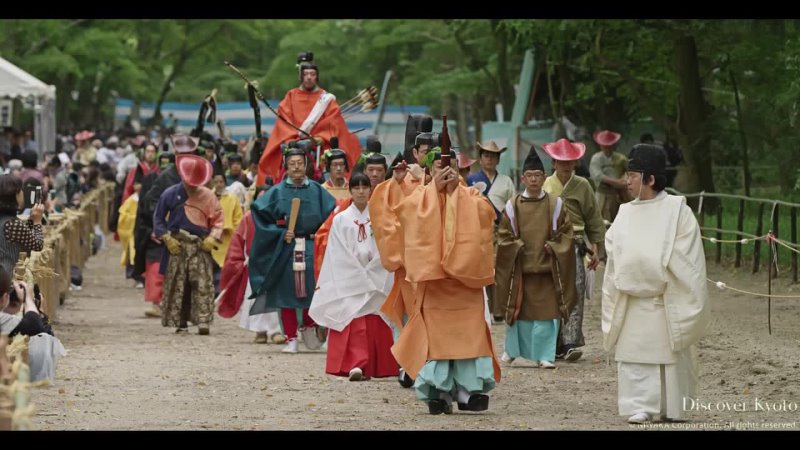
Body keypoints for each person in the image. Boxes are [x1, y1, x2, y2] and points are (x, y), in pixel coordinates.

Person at [370, 147, 500, 414]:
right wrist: (432, 192)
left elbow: (487, 214)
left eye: (452, 165)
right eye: (441, 167)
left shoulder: (471, 195)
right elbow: (402, 215)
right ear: (430, 170)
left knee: (468, 338)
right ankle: (439, 391)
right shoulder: (419, 197)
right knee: (437, 342)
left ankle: (466, 391)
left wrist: (456, 194)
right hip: (434, 281)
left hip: (465, 282)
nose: (447, 171)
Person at [602, 144, 710, 424]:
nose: (627, 181)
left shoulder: (678, 212)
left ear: (650, 179)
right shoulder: (624, 213)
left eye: (633, 175)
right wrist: (636, 265)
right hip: (632, 300)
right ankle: (640, 405)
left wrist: (648, 265)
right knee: (635, 356)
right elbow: (614, 251)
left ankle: (671, 406)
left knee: (666, 355)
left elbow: (687, 259)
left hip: (665, 298)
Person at [309, 172, 397, 381]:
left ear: (370, 190)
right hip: (350, 273)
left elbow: (386, 245)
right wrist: (357, 270)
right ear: (350, 190)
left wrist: (374, 264)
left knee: (374, 314)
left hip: (374, 271)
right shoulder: (340, 219)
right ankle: (356, 363)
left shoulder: (379, 216)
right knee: (353, 315)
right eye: (356, 187)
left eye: (364, 187)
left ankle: (377, 364)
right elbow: (336, 251)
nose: (360, 191)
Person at [249, 146, 337, 353]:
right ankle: (290, 337)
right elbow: (259, 214)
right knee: (285, 292)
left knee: (312, 288)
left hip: (311, 245)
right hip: (286, 247)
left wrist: (322, 234)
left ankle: (308, 325)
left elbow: (333, 216)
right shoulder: (277, 192)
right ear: (286, 167)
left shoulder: (317, 190)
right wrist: (279, 232)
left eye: (300, 163)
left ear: (306, 165)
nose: (296, 167)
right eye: (292, 164)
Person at [494, 147, 576, 369]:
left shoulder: (555, 204)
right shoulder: (513, 206)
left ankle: (545, 355)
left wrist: (555, 246)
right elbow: (503, 236)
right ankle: (512, 351)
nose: (533, 179)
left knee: (547, 318)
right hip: (522, 271)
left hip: (547, 270)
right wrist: (516, 246)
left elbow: (567, 233)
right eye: (529, 175)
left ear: (544, 177)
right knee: (519, 315)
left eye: (537, 175)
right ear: (522, 178)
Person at [541, 139, 605, 362]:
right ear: (553, 162)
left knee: (575, 291)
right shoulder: (545, 185)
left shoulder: (583, 185)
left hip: (576, 242)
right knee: (550, 291)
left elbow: (594, 218)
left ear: (575, 162)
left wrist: (595, 248)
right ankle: (553, 343)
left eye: (570, 161)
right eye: (561, 161)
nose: (566, 165)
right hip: (550, 243)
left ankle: (570, 342)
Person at [257, 52, 362, 183]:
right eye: (306, 74)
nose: (309, 78)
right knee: (275, 161)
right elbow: (283, 123)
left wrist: (317, 140)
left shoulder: (327, 100)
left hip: (319, 147)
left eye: (312, 74)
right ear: (301, 76)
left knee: (336, 161)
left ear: (317, 77)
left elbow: (334, 125)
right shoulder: (290, 96)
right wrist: (292, 140)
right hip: (294, 144)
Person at [153, 153, 224, 335]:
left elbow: (218, 219)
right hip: (177, 245)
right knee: (179, 285)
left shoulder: (208, 195)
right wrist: (167, 238)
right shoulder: (169, 194)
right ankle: (181, 322)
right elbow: (158, 219)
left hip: (200, 245)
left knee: (202, 284)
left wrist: (212, 237)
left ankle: (203, 321)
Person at [217, 184, 286, 345]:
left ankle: (276, 330)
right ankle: (259, 331)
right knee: (255, 298)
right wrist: (237, 261)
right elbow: (238, 241)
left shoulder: (280, 218)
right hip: (254, 264)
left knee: (274, 298)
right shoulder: (248, 217)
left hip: (275, 263)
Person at [0, 174, 44, 273]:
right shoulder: (12, 224)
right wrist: (37, 221)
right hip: (10, 279)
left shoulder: (6, 220)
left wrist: (31, 220)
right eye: (21, 190)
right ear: (15, 193)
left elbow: (22, 235)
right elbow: (38, 245)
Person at [589, 130, 629, 223]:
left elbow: (629, 171)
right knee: (601, 221)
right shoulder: (596, 158)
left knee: (619, 220)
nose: (607, 148)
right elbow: (598, 175)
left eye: (610, 145)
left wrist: (624, 181)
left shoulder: (621, 158)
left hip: (619, 194)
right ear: (600, 145)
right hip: (602, 194)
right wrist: (616, 183)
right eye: (605, 145)